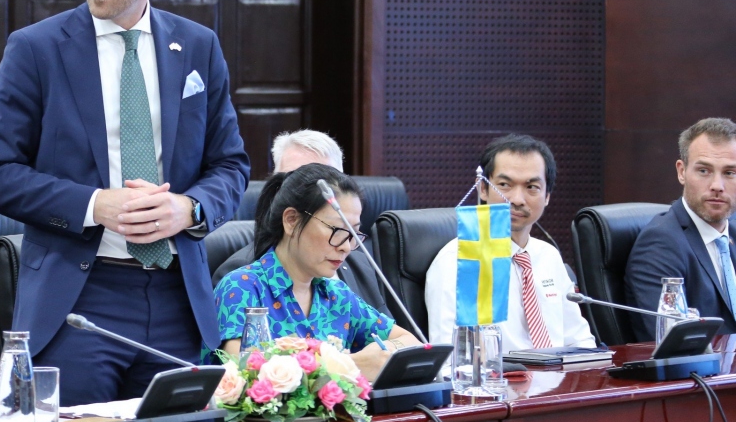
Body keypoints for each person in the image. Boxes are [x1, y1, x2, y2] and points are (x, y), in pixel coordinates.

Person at [0, 0, 250, 405]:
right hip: (78, 300)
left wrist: (189, 209)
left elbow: (230, 165)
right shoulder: (36, 49)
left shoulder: (198, 46)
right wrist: (96, 205)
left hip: (178, 299)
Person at [213, 164, 418, 380]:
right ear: (291, 220)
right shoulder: (242, 286)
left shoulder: (337, 295)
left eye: (354, 233)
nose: (346, 247)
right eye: (337, 230)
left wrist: (382, 353)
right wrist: (349, 364)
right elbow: (245, 373)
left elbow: (410, 342)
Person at [425, 134, 595, 352]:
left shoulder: (548, 256)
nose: (517, 199)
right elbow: (450, 358)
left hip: (559, 373)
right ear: (482, 189)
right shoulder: (459, 262)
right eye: (504, 185)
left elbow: (580, 342)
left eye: (532, 187)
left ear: (547, 196)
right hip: (499, 374)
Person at [216, 130, 390, 315]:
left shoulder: (360, 263)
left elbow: (390, 330)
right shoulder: (242, 277)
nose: (345, 247)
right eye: (297, 179)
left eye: (322, 180)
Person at [625, 117, 736, 339]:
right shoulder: (660, 244)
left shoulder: (731, 232)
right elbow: (674, 341)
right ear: (681, 172)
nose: (717, 186)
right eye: (704, 171)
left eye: (729, 173)